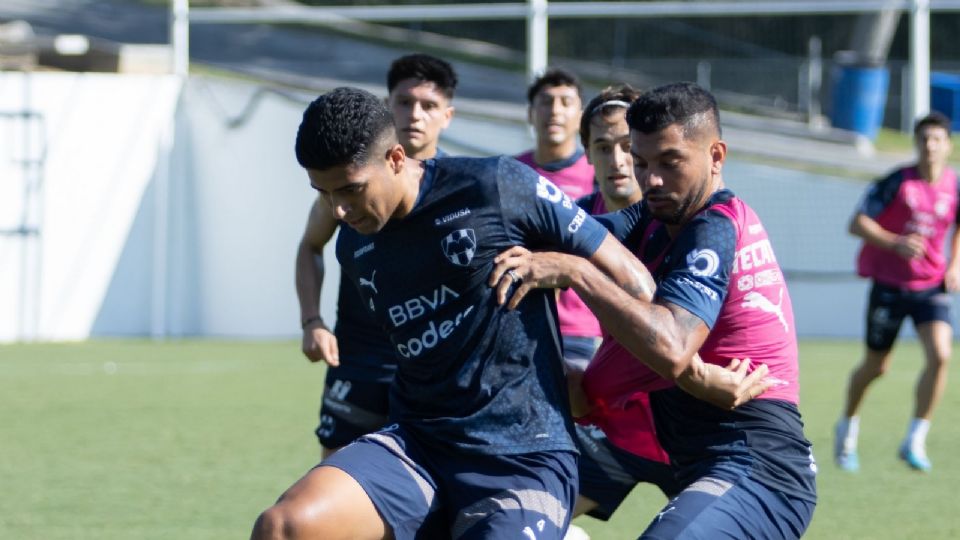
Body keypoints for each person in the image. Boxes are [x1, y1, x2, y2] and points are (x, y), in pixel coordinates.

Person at [253, 87, 765, 540]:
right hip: (419, 443)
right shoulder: (355, 247)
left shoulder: (495, 186)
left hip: (523, 454)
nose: (338, 211)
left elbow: (635, 279)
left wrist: (690, 371)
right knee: (282, 528)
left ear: (393, 158)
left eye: (349, 189)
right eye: (324, 194)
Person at [492, 82, 817, 539]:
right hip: (700, 462)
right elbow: (570, 237)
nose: (651, 179)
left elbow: (672, 347)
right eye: (642, 162)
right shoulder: (654, 217)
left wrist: (576, 273)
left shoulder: (714, 227)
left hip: (757, 465)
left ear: (716, 156)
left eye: (670, 162)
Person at [295, 53, 457, 458]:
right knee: (332, 480)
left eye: (429, 105)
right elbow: (310, 245)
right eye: (404, 102)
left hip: (431, 369)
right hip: (359, 359)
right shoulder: (346, 189)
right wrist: (312, 321)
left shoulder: (462, 192)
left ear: (447, 117)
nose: (415, 115)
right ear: (387, 107)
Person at [569, 84, 681, 529]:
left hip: (688, 423)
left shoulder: (683, 220)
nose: (616, 161)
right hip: (614, 423)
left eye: (625, 146)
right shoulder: (571, 221)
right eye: (602, 147)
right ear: (587, 154)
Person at [834, 111, 959, 473]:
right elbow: (856, 224)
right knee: (876, 367)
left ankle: (915, 439)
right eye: (924, 139)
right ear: (916, 144)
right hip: (889, 286)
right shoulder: (896, 183)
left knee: (941, 354)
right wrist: (895, 243)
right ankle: (847, 428)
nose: (930, 146)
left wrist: (954, 264)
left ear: (948, 145)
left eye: (937, 139)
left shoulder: (954, 185)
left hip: (930, 287)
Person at [516, 68, 602, 370]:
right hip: (518, 321)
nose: (555, 111)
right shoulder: (510, 172)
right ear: (530, 113)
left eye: (566, 102)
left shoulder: (599, 176)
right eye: (546, 101)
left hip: (580, 330)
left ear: (580, 115)